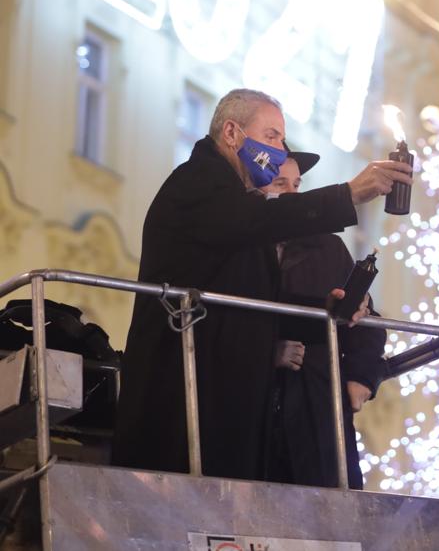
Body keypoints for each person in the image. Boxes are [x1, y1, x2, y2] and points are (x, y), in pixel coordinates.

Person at [113, 88, 412, 480]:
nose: (278, 149)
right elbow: (256, 222)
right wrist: (349, 194)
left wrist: (325, 313)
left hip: (223, 407)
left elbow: (252, 304)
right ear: (232, 133)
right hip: (180, 407)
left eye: (282, 139)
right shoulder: (198, 182)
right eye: (271, 136)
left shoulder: (239, 211)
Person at [260, 151, 386, 489]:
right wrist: (268, 350)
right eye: (280, 184)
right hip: (256, 412)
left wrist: (362, 376)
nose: (292, 194)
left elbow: (366, 320)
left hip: (317, 410)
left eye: (297, 185)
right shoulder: (245, 249)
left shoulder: (327, 248)